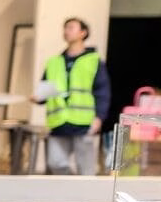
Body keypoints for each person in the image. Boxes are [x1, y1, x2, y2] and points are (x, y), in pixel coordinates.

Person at [33, 17, 112, 176]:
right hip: (59, 122)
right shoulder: (54, 62)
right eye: (65, 28)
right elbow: (46, 88)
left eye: (71, 27)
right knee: (55, 163)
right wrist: (38, 97)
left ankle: (83, 200)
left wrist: (99, 117)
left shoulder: (94, 61)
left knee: (86, 168)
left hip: (83, 122)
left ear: (83, 33)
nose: (66, 31)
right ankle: (70, 197)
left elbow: (102, 91)